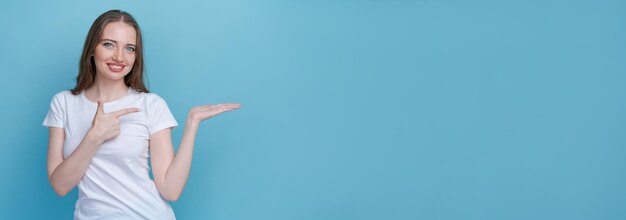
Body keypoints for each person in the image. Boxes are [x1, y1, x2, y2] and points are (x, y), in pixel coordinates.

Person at [42, 9, 240, 219]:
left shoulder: (151, 105)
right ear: (92, 49)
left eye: (130, 48)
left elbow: (170, 190)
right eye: (109, 44)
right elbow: (60, 185)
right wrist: (94, 136)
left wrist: (192, 123)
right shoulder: (63, 103)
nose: (119, 56)